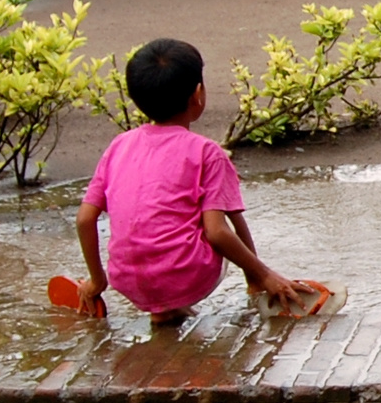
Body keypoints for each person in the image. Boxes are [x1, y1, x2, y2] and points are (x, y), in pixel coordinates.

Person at [74, 39, 326, 326]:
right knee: (222, 219)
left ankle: (164, 311)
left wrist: (97, 282)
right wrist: (264, 276)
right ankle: (194, 299)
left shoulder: (119, 145)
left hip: (127, 282)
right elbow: (218, 232)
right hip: (188, 279)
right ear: (198, 94)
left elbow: (84, 219)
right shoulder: (207, 152)